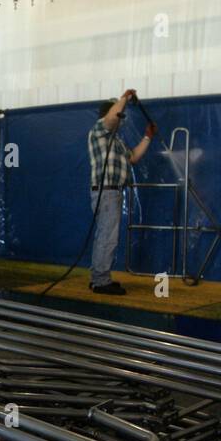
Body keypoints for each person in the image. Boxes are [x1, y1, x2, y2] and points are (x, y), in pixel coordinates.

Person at [86, 89, 155, 295]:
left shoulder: (116, 142)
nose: (122, 121)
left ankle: (99, 277)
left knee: (105, 236)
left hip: (111, 192)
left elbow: (132, 157)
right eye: (120, 116)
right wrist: (124, 98)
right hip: (106, 192)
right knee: (108, 236)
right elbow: (111, 118)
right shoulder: (99, 130)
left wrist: (147, 137)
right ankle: (100, 280)